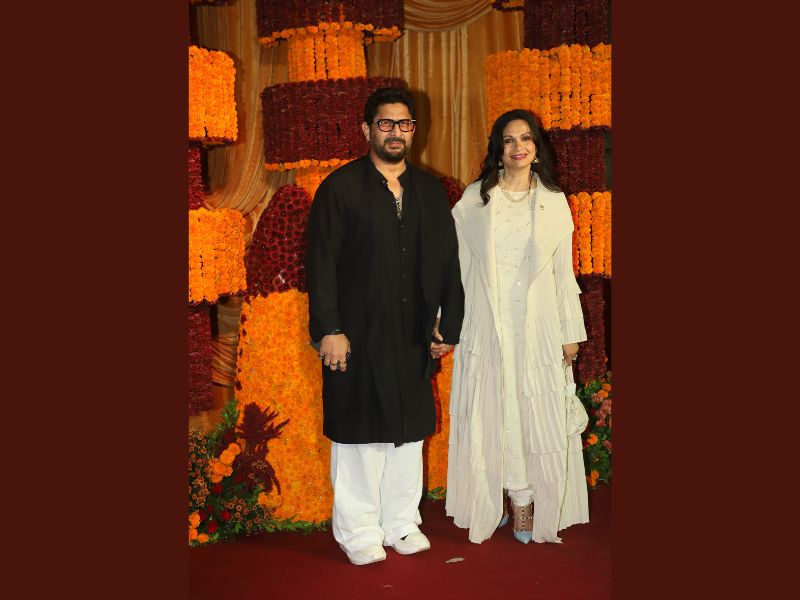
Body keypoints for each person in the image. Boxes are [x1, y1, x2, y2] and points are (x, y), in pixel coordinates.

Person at [306, 87, 464, 566]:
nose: (396, 132)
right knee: (359, 435)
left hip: (412, 333)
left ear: (414, 130)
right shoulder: (340, 188)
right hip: (356, 334)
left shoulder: (430, 193)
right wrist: (329, 328)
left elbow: (448, 264)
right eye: (386, 123)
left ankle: (401, 523)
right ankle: (358, 532)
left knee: (409, 434)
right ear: (367, 129)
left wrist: (447, 324)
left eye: (404, 124)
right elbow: (321, 264)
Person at [445, 109, 589, 545]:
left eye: (526, 138)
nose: (518, 147)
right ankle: (496, 497)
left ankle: (526, 499)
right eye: (508, 140)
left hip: (537, 326)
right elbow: (458, 271)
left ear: (537, 148)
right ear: (498, 149)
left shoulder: (553, 202)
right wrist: (447, 324)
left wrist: (569, 332)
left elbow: (563, 274)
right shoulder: (474, 200)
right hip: (487, 325)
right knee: (493, 411)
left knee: (533, 415)